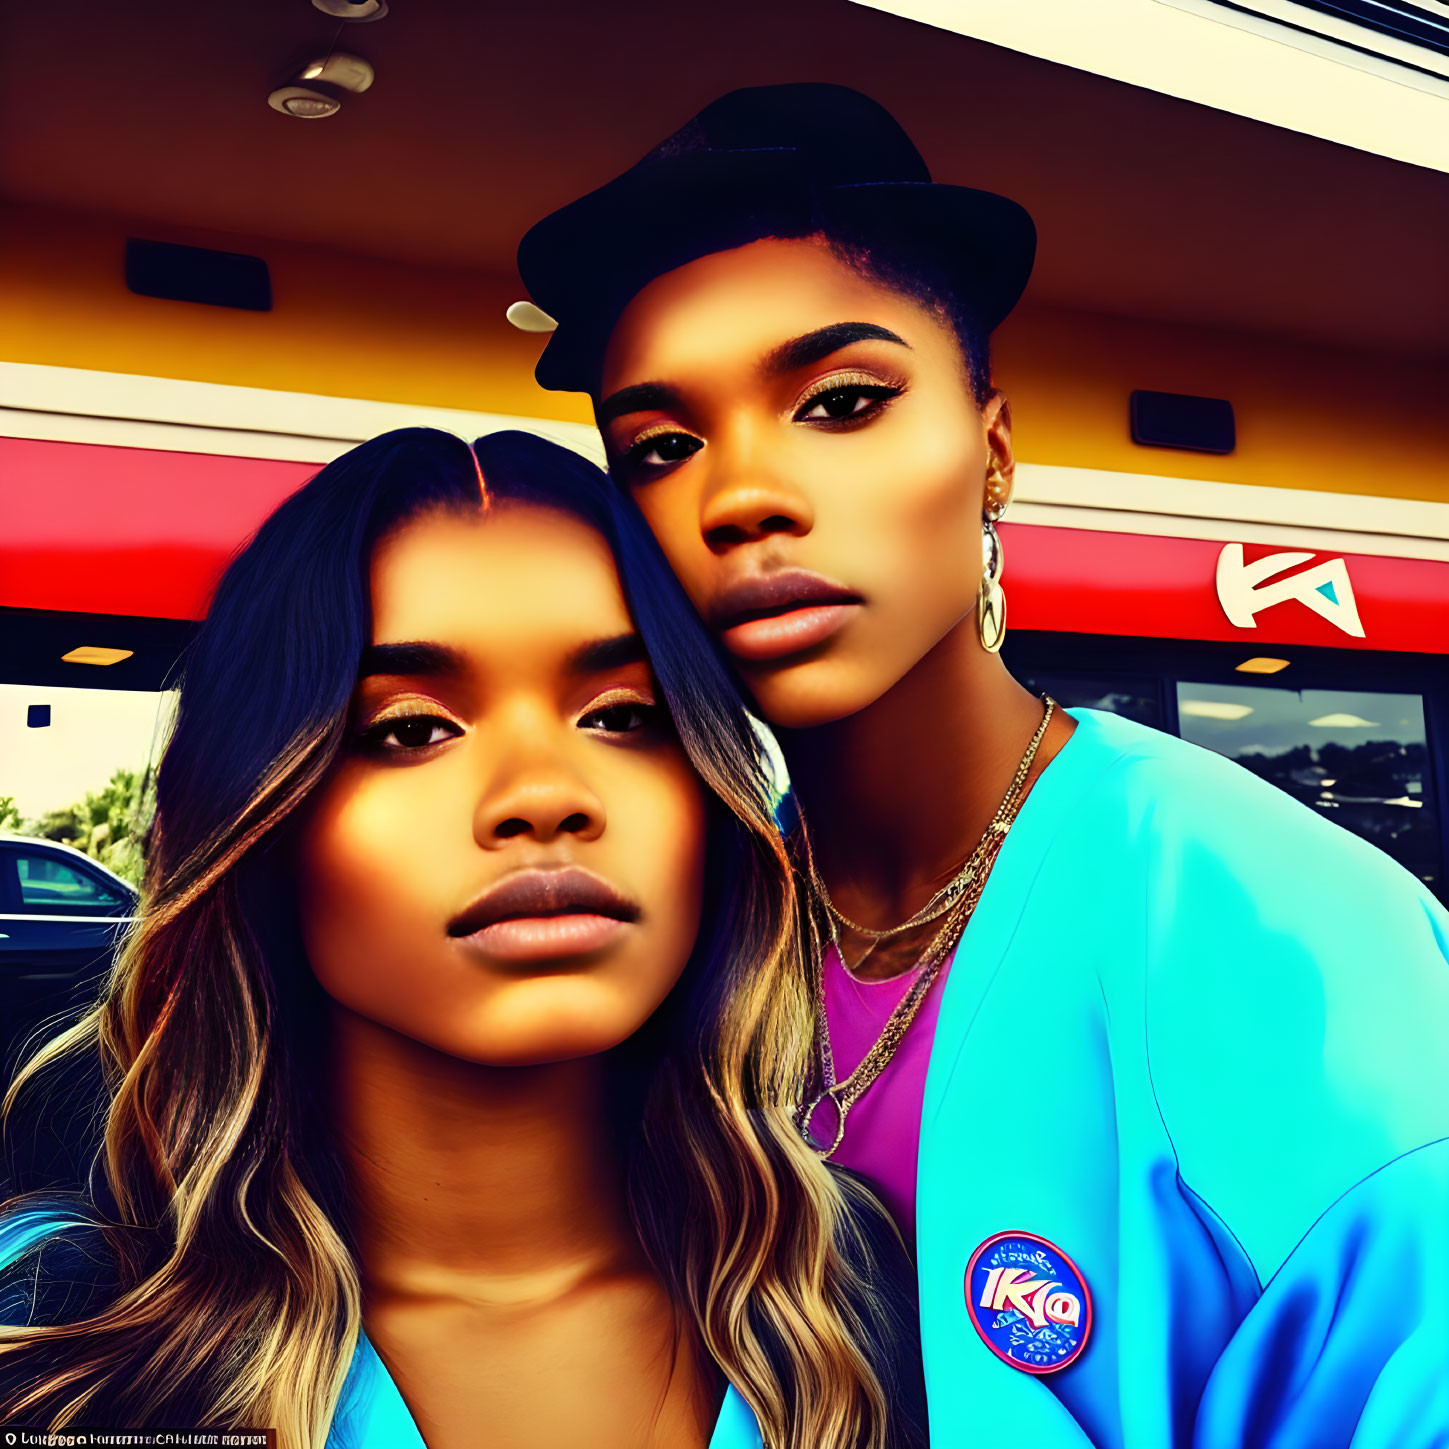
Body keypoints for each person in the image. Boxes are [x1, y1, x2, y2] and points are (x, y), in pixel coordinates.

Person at [515, 83, 1449, 1445]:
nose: (741, 496)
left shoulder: (1297, 956)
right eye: (662, 446)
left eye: (840, 401)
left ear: (993, 453)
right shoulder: (682, 937)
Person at [0, 428, 927, 1449]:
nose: (543, 796)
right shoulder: (55, 1329)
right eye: (409, 730)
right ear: (260, 820)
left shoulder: (852, 1287)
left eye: (622, 716)